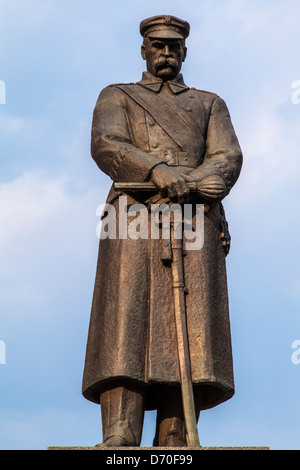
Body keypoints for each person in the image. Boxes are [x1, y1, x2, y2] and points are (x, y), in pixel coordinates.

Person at [82, 15, 243, 447]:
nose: (166, 53)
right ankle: (121, 428)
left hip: (194, 215)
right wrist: (155, 170)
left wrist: (190, 183)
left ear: (185, 51)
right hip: (134, 215)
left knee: (186, 323)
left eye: (173, 46)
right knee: (126, 319)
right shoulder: (118, 96)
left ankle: (174, 431)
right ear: (143, 50)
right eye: (158, 45)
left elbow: (227, 156)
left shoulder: (209, 104)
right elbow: (107, 143)